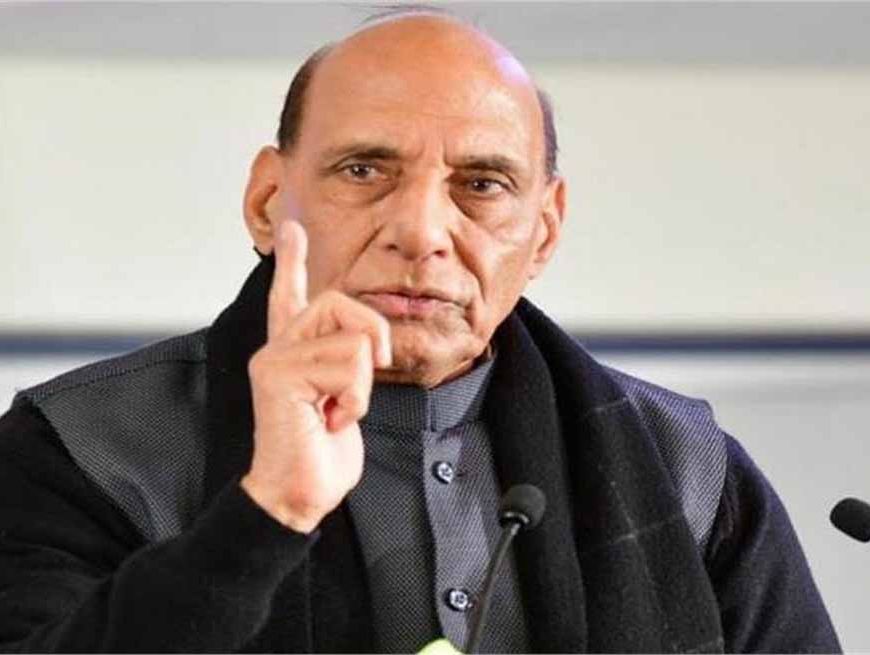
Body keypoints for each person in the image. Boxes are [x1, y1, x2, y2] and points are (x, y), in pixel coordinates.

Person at [0, 9, 841, 654]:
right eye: (364, 170)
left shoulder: (687, 467)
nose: (421, 231)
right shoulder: (89, 447)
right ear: (267, 201)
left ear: (544, 232)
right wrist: (265, 515)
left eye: (481, 184)